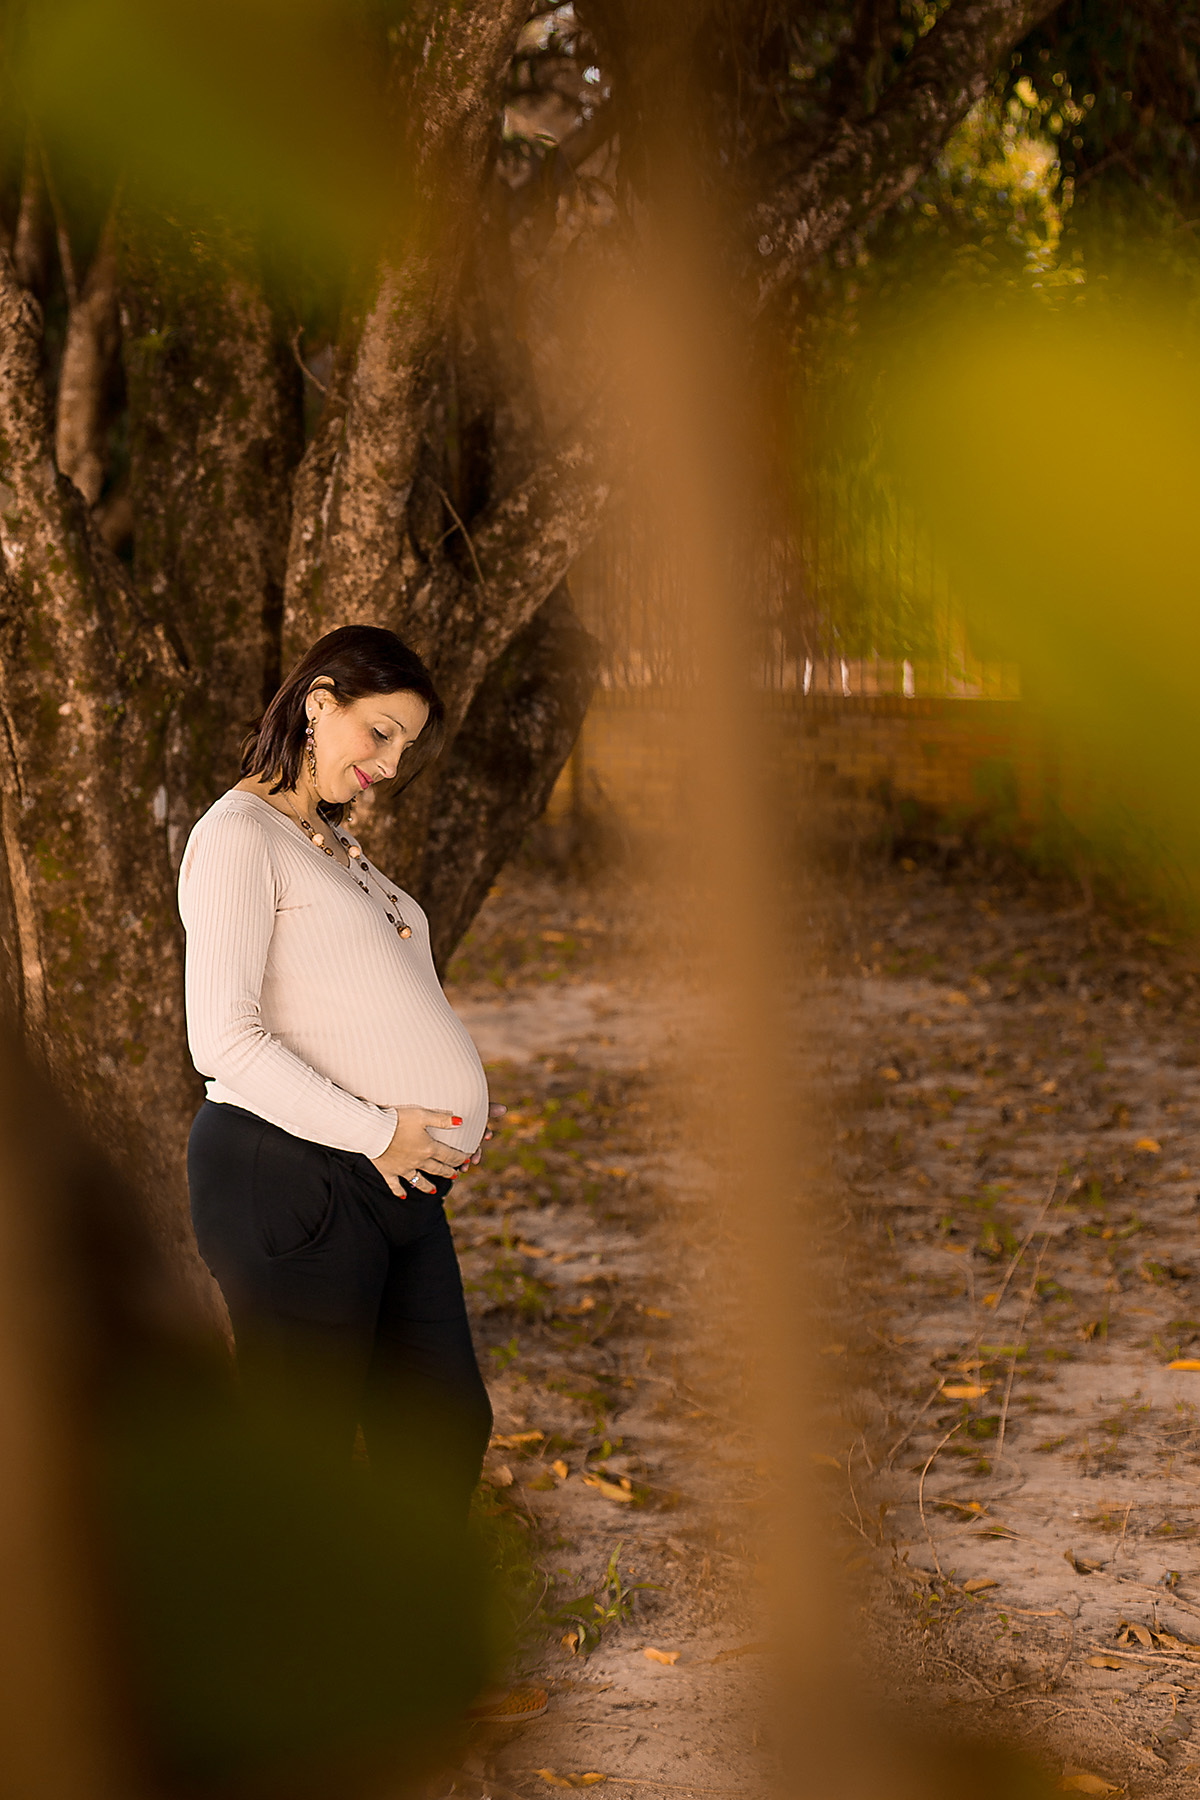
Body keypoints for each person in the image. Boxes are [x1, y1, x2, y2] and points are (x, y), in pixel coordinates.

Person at [179, 625, 494, 1513]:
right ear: (320, 703)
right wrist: (384, 1130)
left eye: (407, 746)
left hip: (386, 1180)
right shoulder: (240, 835)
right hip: (289, 1172)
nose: (392, 763)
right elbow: (223, 1039)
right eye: (382, 732)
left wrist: (446, 1109)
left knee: (440, 1423)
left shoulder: (326, 844)